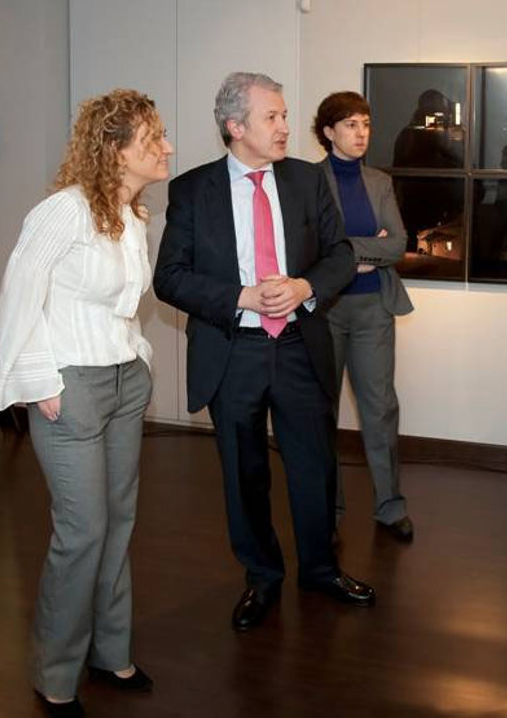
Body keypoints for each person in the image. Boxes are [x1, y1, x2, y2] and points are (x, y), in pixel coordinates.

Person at [154, 72, 376, 633]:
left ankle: (320, 570)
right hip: (234, 350)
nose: (284, 127)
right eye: (271, 117)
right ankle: (261, 576)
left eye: (283, 116)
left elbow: (340, 255)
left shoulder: (306, 179)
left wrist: (304, 287)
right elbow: (170, 278)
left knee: (314, 465)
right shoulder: (192, 190)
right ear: (236, 126)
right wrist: (242, 297)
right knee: (243, 472)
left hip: (300, 344)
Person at [0, 89, 167, 716]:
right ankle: (55, 673)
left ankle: (109, 652)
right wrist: (41, 380)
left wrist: (138, 355)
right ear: (116, 149)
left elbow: (121, 305)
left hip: (123, 382)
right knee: (82, 531)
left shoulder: (134, 216)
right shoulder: (61, 212)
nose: (166, 148)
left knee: (117, 522)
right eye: (153, 139)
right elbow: (18, 296)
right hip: (71, 388)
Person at [312, 91, 416, 543]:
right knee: (322, 410)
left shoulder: (379, 181)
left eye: (366, 124)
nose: (361, 133)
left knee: (381, 408)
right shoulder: (308, 181)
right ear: (329, 131)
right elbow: (311, 247)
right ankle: (328, 510)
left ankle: (390, 507)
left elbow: (397, 245)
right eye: (351, 124)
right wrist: (356, 254)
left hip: (374, 307)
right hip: (325, 310)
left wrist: (346, 252)